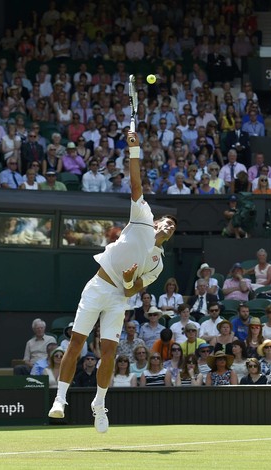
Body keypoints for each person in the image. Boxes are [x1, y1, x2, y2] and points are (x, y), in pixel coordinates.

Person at [49, 129, 177, 434]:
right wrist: (134, 149)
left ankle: (99, 404)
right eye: (168, 221)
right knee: (77, 342)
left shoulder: (158, 263)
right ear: (157, 222)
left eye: (173, 227)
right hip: (97, 287)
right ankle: (60, 398)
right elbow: (136, 182)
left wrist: (132, 280)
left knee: (109, 351)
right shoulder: (142, 214)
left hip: (119, 299)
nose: (170, 225)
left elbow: (134, 289)